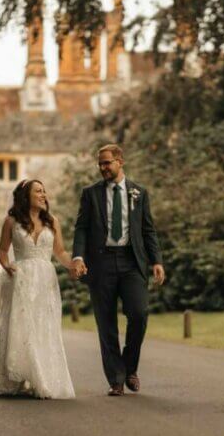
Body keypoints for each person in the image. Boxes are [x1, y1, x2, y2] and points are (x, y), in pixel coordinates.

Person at [0, 179, 76, 399]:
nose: (43, 195)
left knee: (43, 326)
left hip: (45, 280)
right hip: (21, 279)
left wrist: (73, 264)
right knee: (22, 327)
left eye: (44, 191)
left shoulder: (52, 222)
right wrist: (7, 266)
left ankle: (41, 378)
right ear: (26, 196)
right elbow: (2, 251)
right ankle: (21, 376)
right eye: (38, 191)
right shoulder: (11, 221)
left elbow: (60, 252)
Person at [71, 144, 165, 396]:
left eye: (107, 163)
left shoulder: (139, 193)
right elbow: (81, 228)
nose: (103, 168)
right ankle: (116, 379)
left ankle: (129, 366)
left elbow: (148, 230)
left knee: (139, 313)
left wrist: (156, 261)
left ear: (120, 161)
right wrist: (78, 257)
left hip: (131, 262)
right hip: (101, 264)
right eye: (100, 164)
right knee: (106, 323)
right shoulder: (90, 194)